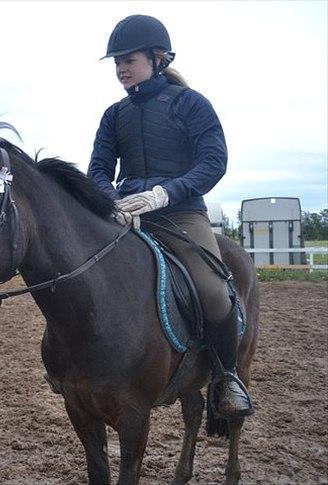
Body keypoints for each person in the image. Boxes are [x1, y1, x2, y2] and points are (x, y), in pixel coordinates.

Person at [86, 14, 254, 418]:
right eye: (117, 62)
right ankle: (73, 365)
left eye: (129, 59)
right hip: (127, 215)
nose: (121, 68)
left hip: (179, 214)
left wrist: (165, 193)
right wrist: (113, 202)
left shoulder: (190, 104)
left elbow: (214, 161)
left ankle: (226, 375)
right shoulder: (114, 114)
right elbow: (97, 170)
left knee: (214, 293)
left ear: (158, 58)